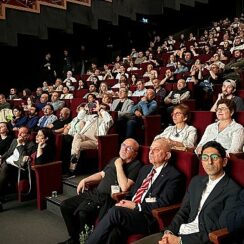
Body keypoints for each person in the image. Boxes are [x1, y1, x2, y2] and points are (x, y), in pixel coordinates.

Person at [133, 141, 241, 244]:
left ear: (224, 161)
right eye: (205, 157)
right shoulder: (196, 181)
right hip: (178, 233)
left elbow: (218, 230)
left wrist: (180, 241)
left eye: (214, 157)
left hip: (196, 241)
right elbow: (183, 211)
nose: (209, 162)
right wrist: (169, 232)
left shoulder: (234, 191)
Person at [85, 138, 184, 244]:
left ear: (167, 156)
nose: (151, 152)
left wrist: (136, 206)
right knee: (114, 232)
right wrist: (124, 201)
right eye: (151, 149)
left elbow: (163, 203)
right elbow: (133, 193)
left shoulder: (174, 176)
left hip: (148, 216)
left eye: (156, 149)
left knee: (115, 211)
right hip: (131, 211)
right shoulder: (145, 169)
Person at [58, 138, 142, 244]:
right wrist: (85, 179)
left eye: (129, 148)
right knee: (65, 205)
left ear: (135, 154)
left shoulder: (136, 165)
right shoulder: (115, 159)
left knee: (83, 213)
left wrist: (119, 165)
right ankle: (75, 238)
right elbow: (102, 174)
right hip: (95, 192)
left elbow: (124, 187)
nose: (124, 149)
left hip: (108, 198)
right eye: (123, 145)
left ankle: (85, 240)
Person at [68, 105, 114, 175]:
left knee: (77, 145)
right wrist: (85, 110)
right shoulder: (93, 117)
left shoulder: (107, 121)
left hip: (95, 141)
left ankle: (72, 168)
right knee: (77, 135)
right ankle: (73, 159)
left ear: (106, 111)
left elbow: (109, 119)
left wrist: (101, 110)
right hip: (84, 136)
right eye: (99, 108)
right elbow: (80, 117)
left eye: (102, 109)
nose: (99, 110)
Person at [0, 127, 36, 211]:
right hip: (10, 164)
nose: (19, 135)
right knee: (5, 166)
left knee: (5, 167)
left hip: (21, 169)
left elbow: (23, 159)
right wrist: (1, 158)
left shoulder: (32, 145)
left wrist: (21, 145)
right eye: (19, 132)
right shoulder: (14, 141)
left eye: (22, 133)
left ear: (28, 135)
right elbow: (9, 152)